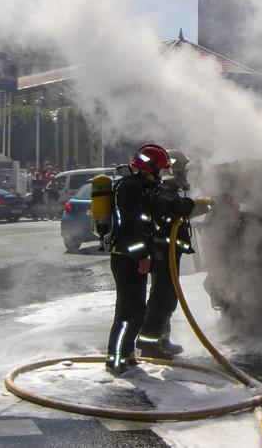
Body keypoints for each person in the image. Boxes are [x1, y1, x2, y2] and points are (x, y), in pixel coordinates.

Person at [105, 144, 172, 375]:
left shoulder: (142, 188)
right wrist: (142, 256)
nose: (160, 175)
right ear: (149, 168)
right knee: (126, 310)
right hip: (126, 258)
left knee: (137, 310)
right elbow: (130, 228)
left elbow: (146, 224)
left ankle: (127, 354)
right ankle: (115, 358)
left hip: (135, 257)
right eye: (159, 170)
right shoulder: (131, 188)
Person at [137, 149, 204, 359]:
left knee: (168, 295)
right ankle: (149, 344)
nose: (185, 174)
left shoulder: (168, 185)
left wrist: (202, 205)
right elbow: (173, 207)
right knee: (162, 296)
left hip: (168, 250)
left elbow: (180, 209)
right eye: (183, 169)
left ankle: (162, 340)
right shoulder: (165, 186)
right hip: (161, 250)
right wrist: (190, 204)